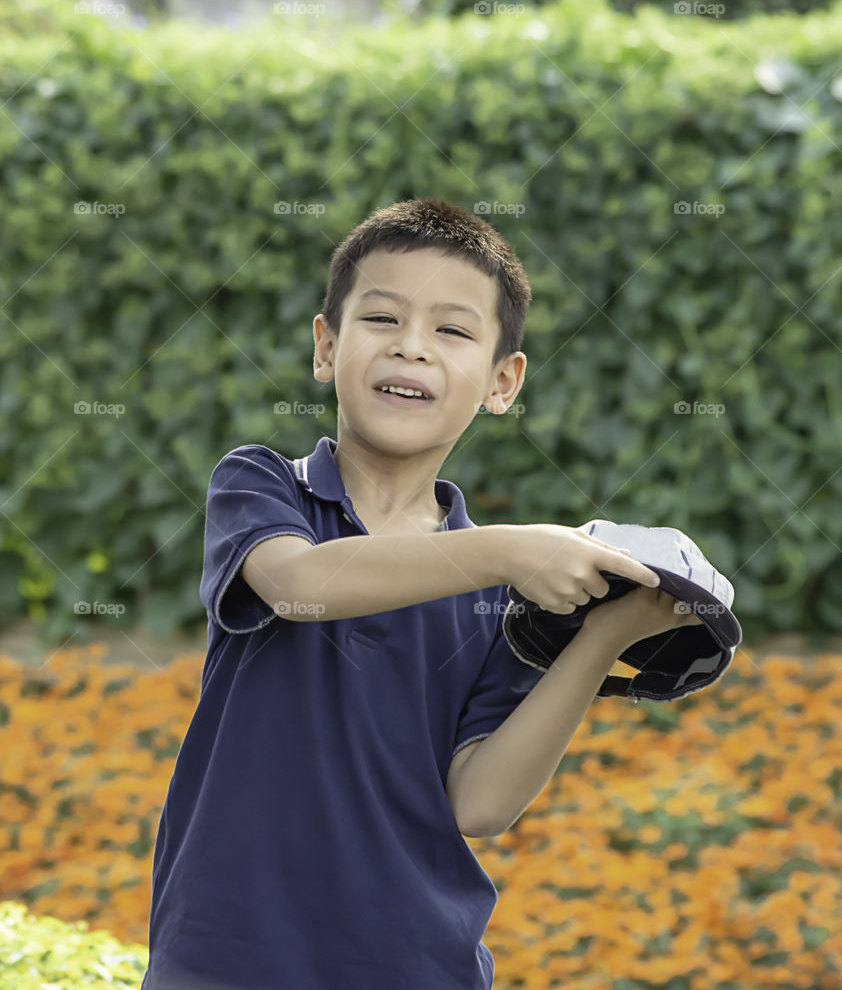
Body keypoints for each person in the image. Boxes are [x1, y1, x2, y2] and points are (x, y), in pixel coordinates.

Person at [140, 197, 699, 990]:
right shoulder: (264, 486)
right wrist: (509, 549)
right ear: (326, 347)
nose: (412, 348)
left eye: (453, 330)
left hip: (414, 966)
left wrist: (603, 636)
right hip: (226, 956)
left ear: (503, 383)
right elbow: (300, 587)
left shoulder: (508, 601)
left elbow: (480, 803)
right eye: (381, 319)